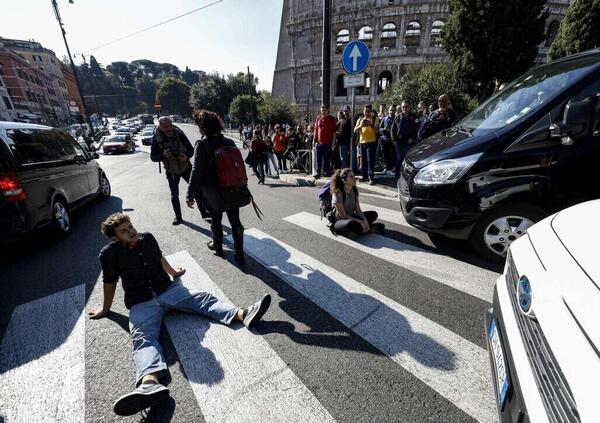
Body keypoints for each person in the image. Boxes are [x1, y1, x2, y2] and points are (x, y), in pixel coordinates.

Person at [89, 213, 272, 416]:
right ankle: (149, 384)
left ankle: (243, 314)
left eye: (130, 226)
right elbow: (109, 282)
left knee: (202, 298)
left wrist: (174, 273)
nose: (131, 231)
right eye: (124, 231)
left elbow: (158, 258)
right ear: (115, 237)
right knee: (142, 337)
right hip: (141, 302)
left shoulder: (147, 238)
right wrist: (105, 309)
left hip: (166, 289)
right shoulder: (108, 254)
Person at [186, 110, 247, 264]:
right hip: (232, 188)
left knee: (216, 220)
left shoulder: (202, 144)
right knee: (236, 222)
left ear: (202, 127)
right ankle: (240, 254)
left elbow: (196, 171)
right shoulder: (229, 142)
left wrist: (190, 194)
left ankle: (218, 248)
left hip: (213, 191)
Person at [150, 116, 209, 225]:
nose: (170, 128)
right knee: (174, 195)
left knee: (196, 190)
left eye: (171, 125)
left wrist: (186, 156)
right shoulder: (156, 138)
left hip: (185, 166)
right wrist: (163, 155)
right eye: (167, 127)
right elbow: (153, 157)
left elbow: (191, 150)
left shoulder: (179, 133)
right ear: (160, 126)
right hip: (171, 170)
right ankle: (178, 217)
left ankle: (204, 212)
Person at [329, 168, 384, 239]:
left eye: (354, 176)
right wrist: (360, 221)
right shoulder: (338, 192)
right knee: (350, 224)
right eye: (351, 176)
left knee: (373, 214)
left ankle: (357, 231)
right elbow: (343, 215)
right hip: (339, 220)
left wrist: (364, 219)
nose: (354, 178)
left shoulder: (354, 190)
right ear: (344, 180)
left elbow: (358, 210)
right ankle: (369, 229)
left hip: (351, 216)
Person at [354, 105, 380, 185]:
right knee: (363, 161)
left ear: (371, 111)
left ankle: (371, 177)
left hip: (371, 142)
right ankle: (364, 176)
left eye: (368, 111)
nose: (366, 113)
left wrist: (370, 124)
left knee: (370, 160)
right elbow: (355, 130)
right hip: (362, 142)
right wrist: (360, 125)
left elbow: (377, 131)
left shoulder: (375, 119)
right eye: (365, 111)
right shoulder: (360, 119)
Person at [391, 101, 418, 176]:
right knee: (399, 157)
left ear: (409, 107)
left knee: (408, 158)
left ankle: (407, 173)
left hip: (408, 141)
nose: (404, 108)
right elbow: (393, 129)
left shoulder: (414, 117)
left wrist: (412, 138)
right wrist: (394, 140)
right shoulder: (397, 117)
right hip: (399, 141)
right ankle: (397, 171)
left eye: (406, 106)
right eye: (403, 107)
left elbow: (417, 129)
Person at [313, 104, 337, 178]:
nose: (323, 111)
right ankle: (318, 172)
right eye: (322, 110)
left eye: (324, 110)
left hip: (328, 142)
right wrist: (314, 140)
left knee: (327, 158)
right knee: (318, 159)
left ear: (328, 110)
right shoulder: (318, 118)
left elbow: (334, 132)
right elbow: (316, 130)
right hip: (319, 142)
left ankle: (327, 172)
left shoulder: (332, 119)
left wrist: (333, 142)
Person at [379, 104, 397, 176]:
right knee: (384, 155)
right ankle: (386, 168)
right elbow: (379, 129)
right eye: (390, 110)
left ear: (395, 111)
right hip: (384, 140)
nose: (391, 112)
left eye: (393, 110)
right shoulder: (384, 118)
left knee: (392, 155)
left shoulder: (396, 118)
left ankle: (390, 169)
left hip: (393, 140)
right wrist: (385, 129)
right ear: (388, 110)